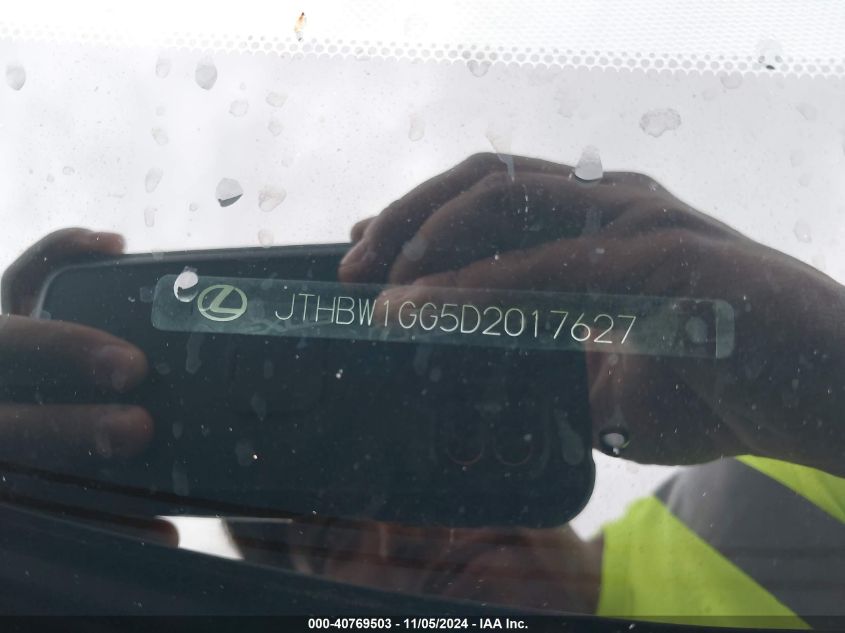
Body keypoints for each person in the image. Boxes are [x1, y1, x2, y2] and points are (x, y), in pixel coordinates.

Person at [1, 155, 843, 626]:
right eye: (332, 523)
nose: (408, 523)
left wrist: (820, 365)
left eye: (437, 419)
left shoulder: (783, 487)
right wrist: (56, 579)